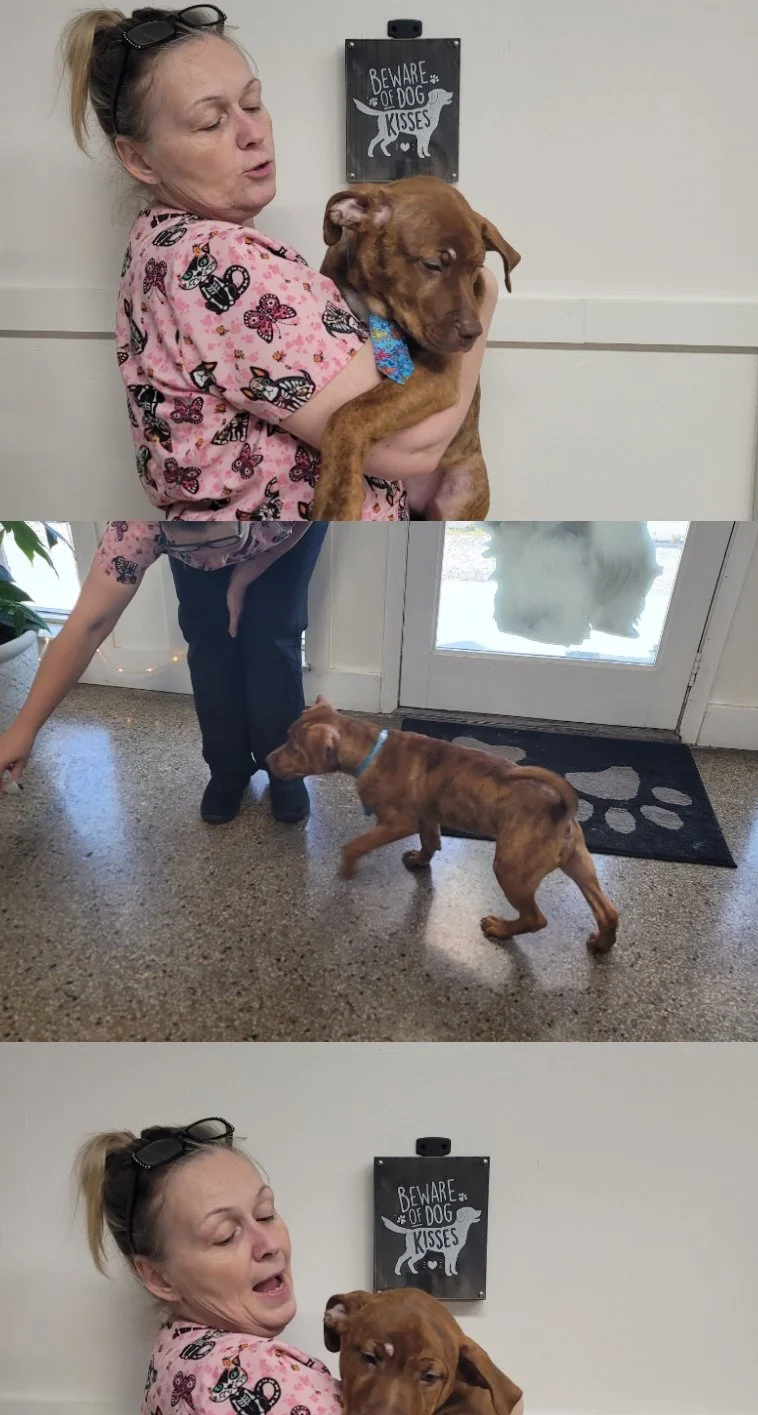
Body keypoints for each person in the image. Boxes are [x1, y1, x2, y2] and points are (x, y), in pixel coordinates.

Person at [59, 6, 498, 521]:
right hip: (289, 553)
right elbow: (409, 450)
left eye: (253, 103)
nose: (252, 132)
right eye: (210, 121)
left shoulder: (157, 242)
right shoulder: (222, 262)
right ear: (139, 159)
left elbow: (388, 368)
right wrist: (482, 297)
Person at [73, 1116, 519, 1415]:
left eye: (266, 1214)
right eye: (225, 1236)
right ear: (159, 1277)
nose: (267, 1243)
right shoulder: (246, 1372)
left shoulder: (175, 1354)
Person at [0, 520, 331, 823]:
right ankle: (227, 769)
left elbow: (315, 501)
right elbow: (90, 623)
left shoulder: (292, 486)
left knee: (273, 636)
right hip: (201, 523)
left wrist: (245, 576)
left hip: (286, 522)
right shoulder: (137, 527)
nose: (218, 563)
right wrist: (25, 728)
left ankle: (285, 768)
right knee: (208, 637)